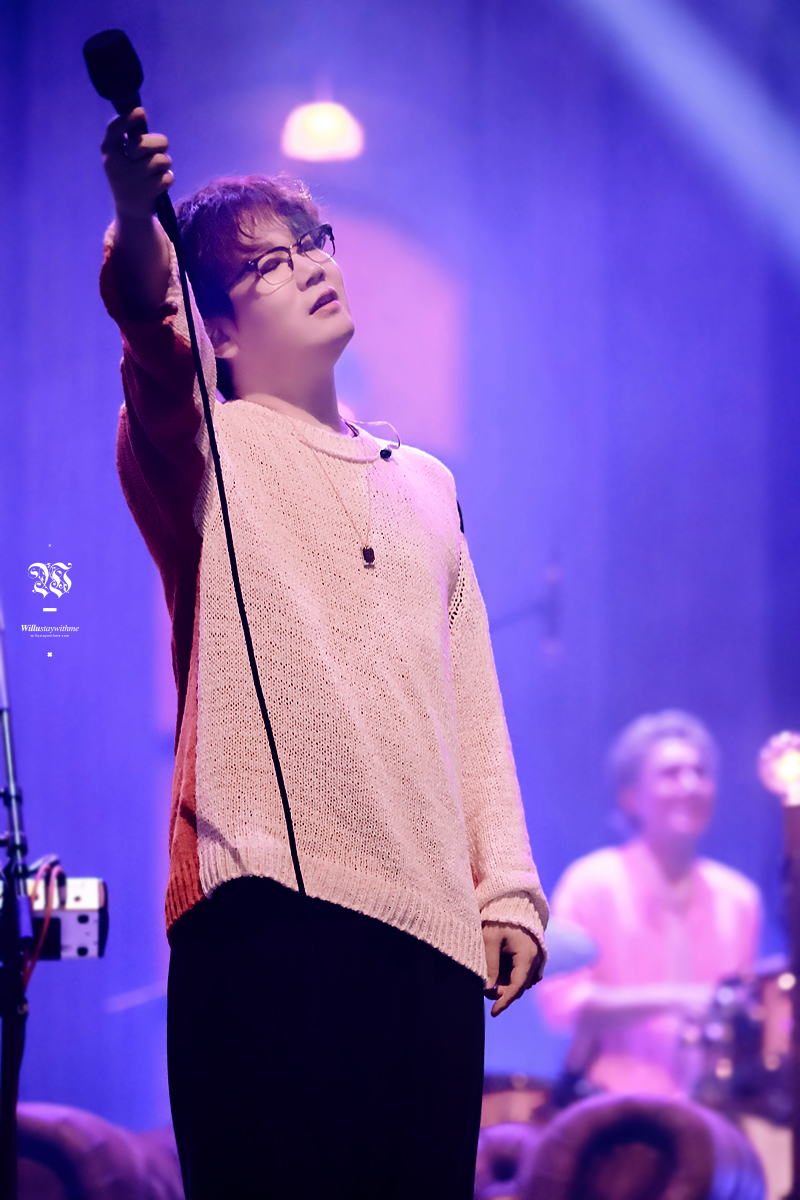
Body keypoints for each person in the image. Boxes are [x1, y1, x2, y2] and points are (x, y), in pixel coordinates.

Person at [98, 108, 548, 1200]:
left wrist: (506, 891)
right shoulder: (201, 443)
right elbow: (147, 324)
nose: (307, 267)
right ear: (217, 330)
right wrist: (135, 214)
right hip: (262, 912)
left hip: (430, 935)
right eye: (266, 262)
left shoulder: (427, 483)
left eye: (313, 243)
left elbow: (471, 697)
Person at [537, 710, 761, 1099]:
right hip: (610, 1105)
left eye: (700, 773)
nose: (690, 785)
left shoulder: (739, 898)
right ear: (630, 797)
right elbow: (561, 1005)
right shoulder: (592, 882)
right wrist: (676, 999)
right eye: (671, 774)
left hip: (710, 1110)